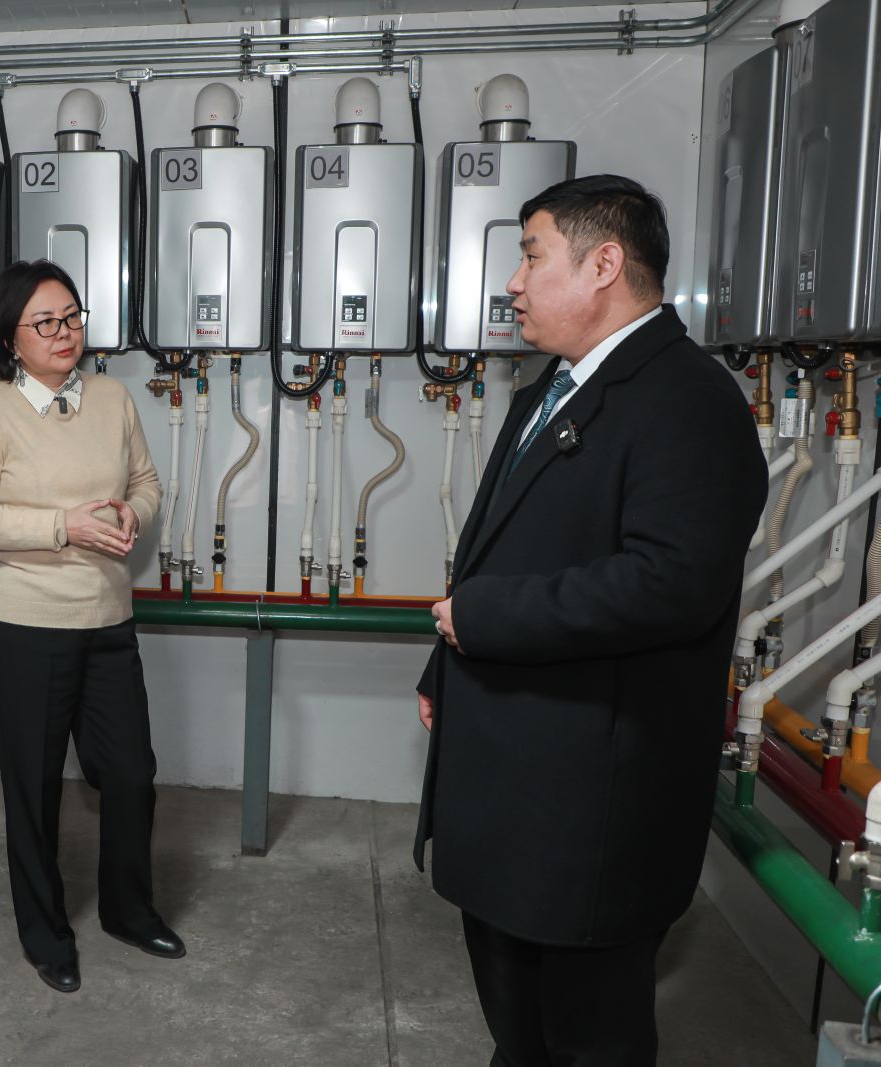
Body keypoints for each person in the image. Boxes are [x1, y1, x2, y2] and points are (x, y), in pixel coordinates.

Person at [414, 175, 767, 1066]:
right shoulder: (553, 388)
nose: (513, 282)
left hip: (591, 816)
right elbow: (500, 545)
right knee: (519, 1031)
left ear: (604, 263)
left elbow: (671, 583)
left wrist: (482, 618)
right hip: (520, 799)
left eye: (531, 255)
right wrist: (444, 665)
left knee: (588, 1039)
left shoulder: (689, 399)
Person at [0, 259, 181, 994]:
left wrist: (132, 514)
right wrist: (62, 526)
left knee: (131, 773)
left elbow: (146, 482)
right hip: (27, 624)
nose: (64, 332)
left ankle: (128, 911)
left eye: (72, 317)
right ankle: (46, 934)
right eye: (44, 322)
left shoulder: (112, 398)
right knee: (34, 786)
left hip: (108, 617)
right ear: (9, 339)